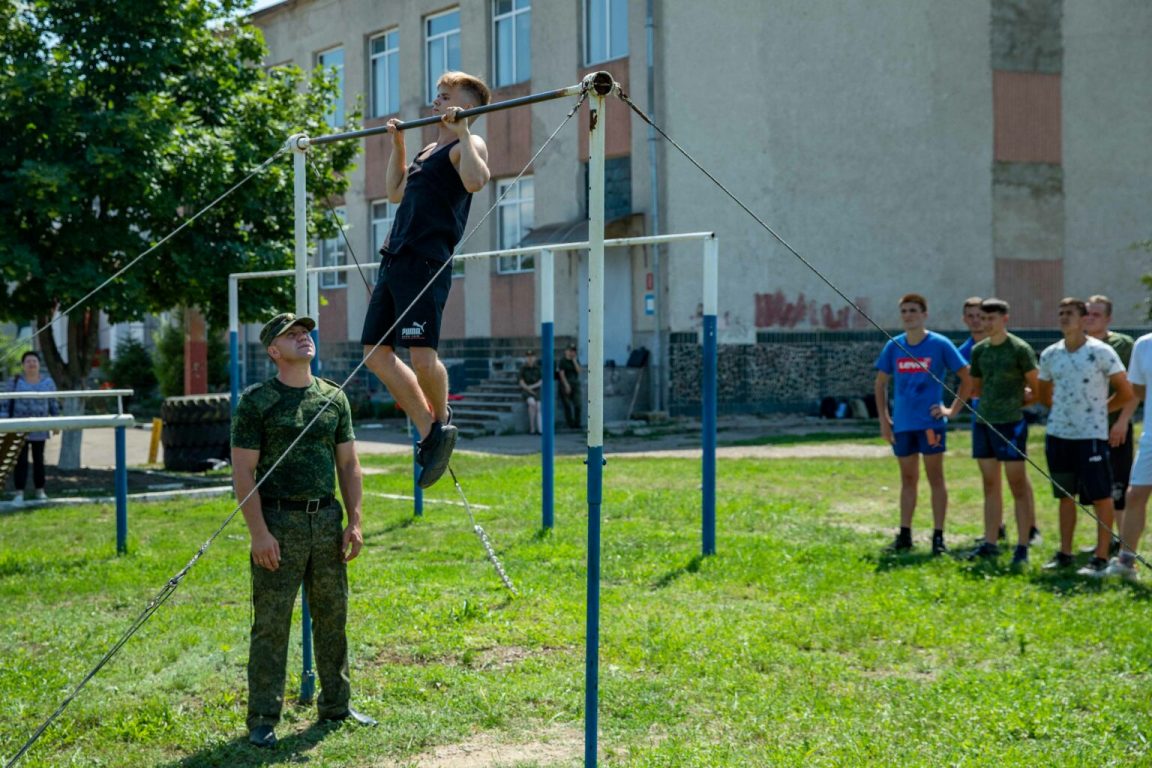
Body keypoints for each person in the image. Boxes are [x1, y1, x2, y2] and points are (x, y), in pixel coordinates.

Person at [231, 313, 375, 748]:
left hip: (327, 521)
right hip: (279, 523)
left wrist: (354, 521)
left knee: (333, 617)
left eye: (306, 332)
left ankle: (336, 705)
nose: (303, 337)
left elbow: (349, 465)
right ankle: (262, 718)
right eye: (291, 335)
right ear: (273, 351)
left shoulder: (333, 397)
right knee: (271, 624)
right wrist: (259, 533)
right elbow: (243, 472)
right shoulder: (257, 401)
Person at [360, 71, 491, 489]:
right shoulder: (428, 149)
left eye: (446, 96)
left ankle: (443, 417)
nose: (437, 101)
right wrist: (398, 145)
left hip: (426, 261)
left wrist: (464, 130)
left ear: (465, 107)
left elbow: (477, 181)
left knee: (421, 357)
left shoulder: (467, 145)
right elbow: (394, 192)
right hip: (395, 256)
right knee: (374, 353)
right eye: (437, 94)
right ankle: (430, 430)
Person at [1036, 298, 1133, 575]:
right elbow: (1043, 394)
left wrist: (1099, 410)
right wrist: (1063, 411)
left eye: (1070, 313)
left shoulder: (1101, 351)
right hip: (1058, 435)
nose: (1064, 318)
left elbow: (1126, 392)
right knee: (1065, 496)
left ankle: (1101, 557)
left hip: (1091, 437)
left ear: (1083, 319)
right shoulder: (1050, 354)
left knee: (1101, 496)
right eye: (1060, 313)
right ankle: (1065, 553)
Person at [874, 293, 972, 555]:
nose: (908, 316)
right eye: (904, 311)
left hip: (930, 424)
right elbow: (880, 383)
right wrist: (884, 419)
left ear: (924, 314)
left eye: (913, 311)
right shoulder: (894, 346)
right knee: (908, 479)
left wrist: (952, 410)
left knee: (935, 478)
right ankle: (905, 534)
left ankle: (938, 536)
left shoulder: (939, 344)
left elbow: (967, 378)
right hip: (903, 424)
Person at [965, 299, 1041, 565]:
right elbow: (976, 387)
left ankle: (1022, 545)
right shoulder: (979, 350)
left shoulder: (1020, 349)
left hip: (1011, 424)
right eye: (983, 319)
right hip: (983, 423)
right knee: (989, 484)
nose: (986, 323)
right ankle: (990, 542)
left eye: (991, 319)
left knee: (1017, 485)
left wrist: (1017, 403)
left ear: (1004, 319)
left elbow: (1037, 387)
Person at [1083, 294, 1135, 552]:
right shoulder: (1079, 345)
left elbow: (1134, 387)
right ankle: (1104, 539)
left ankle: (1123, 542)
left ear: (1108, 318)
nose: (1091, 319)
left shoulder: (1122, 345)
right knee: (1096, 487)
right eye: (1088, 314)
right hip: (1086, 430)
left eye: (1097, 314)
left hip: (1115, 425)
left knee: (1118, 486)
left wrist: (1122, 421)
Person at [1104, 330, 1150, 579]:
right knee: (1134, 496)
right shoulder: (1144, 345)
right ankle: (1126, 562)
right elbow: (1139, 391)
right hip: (1150, 437)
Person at [4, 351, 59, 505]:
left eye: (34, 361)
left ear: (39, 364)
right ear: (23, 365)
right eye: (28, 361)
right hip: (18, 428)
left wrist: (56, 422)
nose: (31, 364)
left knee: (39, 460)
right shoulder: (14, 382)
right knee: (20, 462)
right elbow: (5, 404)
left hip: (40, 428)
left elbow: (53, 403)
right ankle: (19, 493)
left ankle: (40, 491)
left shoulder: (48, 383)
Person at [557, 344, 582, 429]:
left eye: (574, 351)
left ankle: (577, 423)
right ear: (566, 351)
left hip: (575, 384)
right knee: (567, 405)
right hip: (565, 384)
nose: (572, 353)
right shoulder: (563, 361)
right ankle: (570, 423)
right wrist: (566, 385)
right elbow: (562, 374)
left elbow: (579, 371)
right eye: (570, 351)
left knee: (578, 404)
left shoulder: (576, 360)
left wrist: (574, 361)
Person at [518, 350, 543, 435]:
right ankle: (532, 427)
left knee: (538, 406)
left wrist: (532, 387)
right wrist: (528, 389)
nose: (530, 358)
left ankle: (539, 429)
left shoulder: (538, 368)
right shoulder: (523, 368)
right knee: (532, 403)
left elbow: (541, 381)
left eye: (532, 356)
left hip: (536, 390)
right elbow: (521, 382)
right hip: (526, 391)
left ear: (535, 358)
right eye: (528, 357)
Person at [957, 296, 986, 362]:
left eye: (979, 315)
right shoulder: (961, 355)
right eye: (970, 316)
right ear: (964, 319)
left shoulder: (1001, 345)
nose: (975, 320)